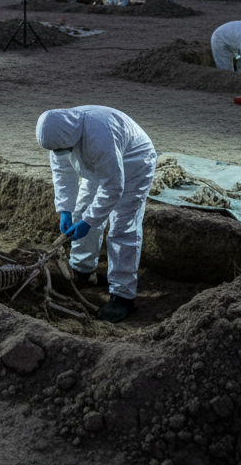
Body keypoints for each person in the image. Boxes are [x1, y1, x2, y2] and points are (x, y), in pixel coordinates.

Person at [35, 106, 157, 323]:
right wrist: (65, 209)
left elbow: (113, 187)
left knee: (123, 226)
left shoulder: (100, 135)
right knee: (81, 210)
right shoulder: (59, 135)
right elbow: (63, 172)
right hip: (96, 165)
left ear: (70, 138)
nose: (58, 152)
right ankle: (82, 271)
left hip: (134, 163)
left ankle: (122, 295)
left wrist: (89, 222)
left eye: (61, 149)